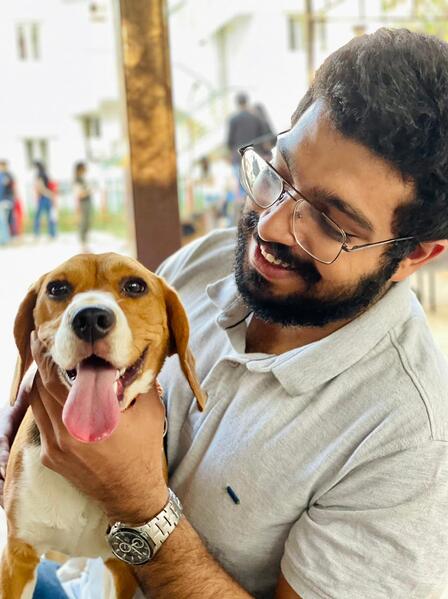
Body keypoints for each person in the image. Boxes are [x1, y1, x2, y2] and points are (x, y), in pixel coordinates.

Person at [2, 27, 448, 598]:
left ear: (414, 255)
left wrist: (139, 507)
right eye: (278, 176)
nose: (269, 226)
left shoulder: (410, 444)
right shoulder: (207, 261)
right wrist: (33, 445)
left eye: (332, 224)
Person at [226, 92, 265, 221]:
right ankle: (258, 218)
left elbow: (230, 141)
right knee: (256, 188)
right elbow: (262, 137)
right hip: (254, 157)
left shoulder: (233, 119)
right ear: (246, 101)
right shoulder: (255, 118)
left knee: (241, 190)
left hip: (239, 158)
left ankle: (244, 220)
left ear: (237, 103)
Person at [33, 161, 57, 240]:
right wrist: (51, 194)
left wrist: (48, 194)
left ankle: (37, 234)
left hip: (43, 197)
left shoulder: (39, 175)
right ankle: (52, 234)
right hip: (48, 197)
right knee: (50, 216)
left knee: (37, 217)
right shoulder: (46, 175)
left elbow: (40, 187)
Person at [73, 161, 92, 251]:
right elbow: (79, 194)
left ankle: (85, 243)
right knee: (83, 223)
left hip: (86, 202)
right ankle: (83, 244)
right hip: (83, 203)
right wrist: (89, 191)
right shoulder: (77, 180)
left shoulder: (82, 179)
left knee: (87, 222)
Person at [0, 160, 15, 245]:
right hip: (8, 200)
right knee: (5, 220)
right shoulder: (9, 175)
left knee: (3, 221)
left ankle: (5, 239)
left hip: (4, 201)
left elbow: (2, 189)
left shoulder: (5, 175)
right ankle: (6, 238)